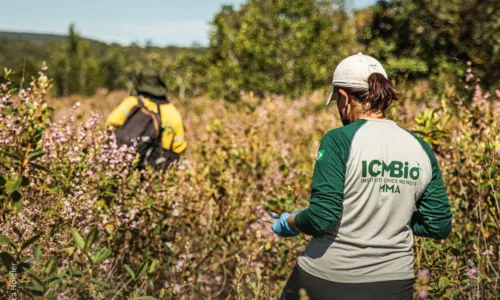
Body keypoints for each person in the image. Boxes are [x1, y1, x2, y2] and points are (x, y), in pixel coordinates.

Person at [271, 53, 452, 300]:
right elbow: (438, 225)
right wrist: (391, 218)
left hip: (327, 278)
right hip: (394, 284)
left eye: (336, 100)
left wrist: (290, 221)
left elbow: (322, 217)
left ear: (343, 97)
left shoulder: (338, 140)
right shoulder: (420, 147)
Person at [106, 68, 186, 169]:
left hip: (125, 164)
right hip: (157, 168)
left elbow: (111, 123)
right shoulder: (172, 112)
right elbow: (179, 146)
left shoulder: (132, 102)